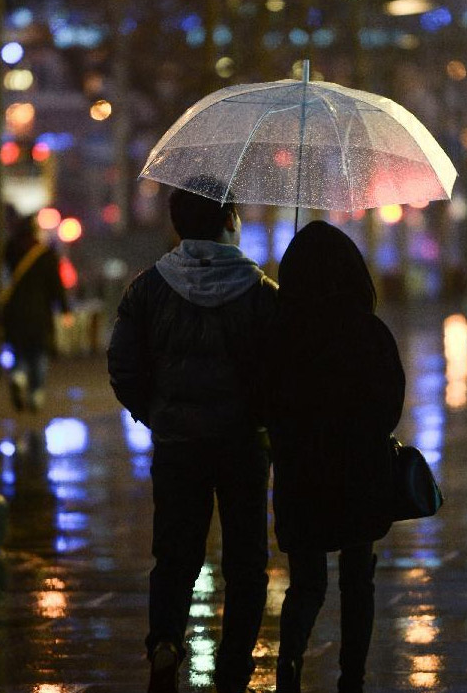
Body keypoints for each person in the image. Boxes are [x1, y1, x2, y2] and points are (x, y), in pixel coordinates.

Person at [107, 182, 278, 693]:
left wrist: (158, 415)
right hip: (243, 445)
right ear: (228, 220)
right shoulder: (262, 293)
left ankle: (165, 643)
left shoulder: (147, 289)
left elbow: (123, 366)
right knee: (246, 561)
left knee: (175, 556)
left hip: (178, 444)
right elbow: (284, 374)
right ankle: (234, 664)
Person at [262, 221, 405, 693]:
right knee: (357, 579)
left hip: (300, 476)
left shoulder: (279, 335)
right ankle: (352, 679)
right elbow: (391, 403)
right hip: (359, 475)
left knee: (306, 583)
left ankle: (289, 666)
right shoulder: (369, 332)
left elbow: (264, 403)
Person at [0, 213, 73, 413]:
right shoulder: (46, 255)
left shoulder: (10, 251)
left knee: (19, 350)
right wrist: (65, 310)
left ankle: (18, 376)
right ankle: (36, 393)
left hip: (14, 312)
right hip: (40, 313)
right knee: (39, 353)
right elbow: (56, 286)